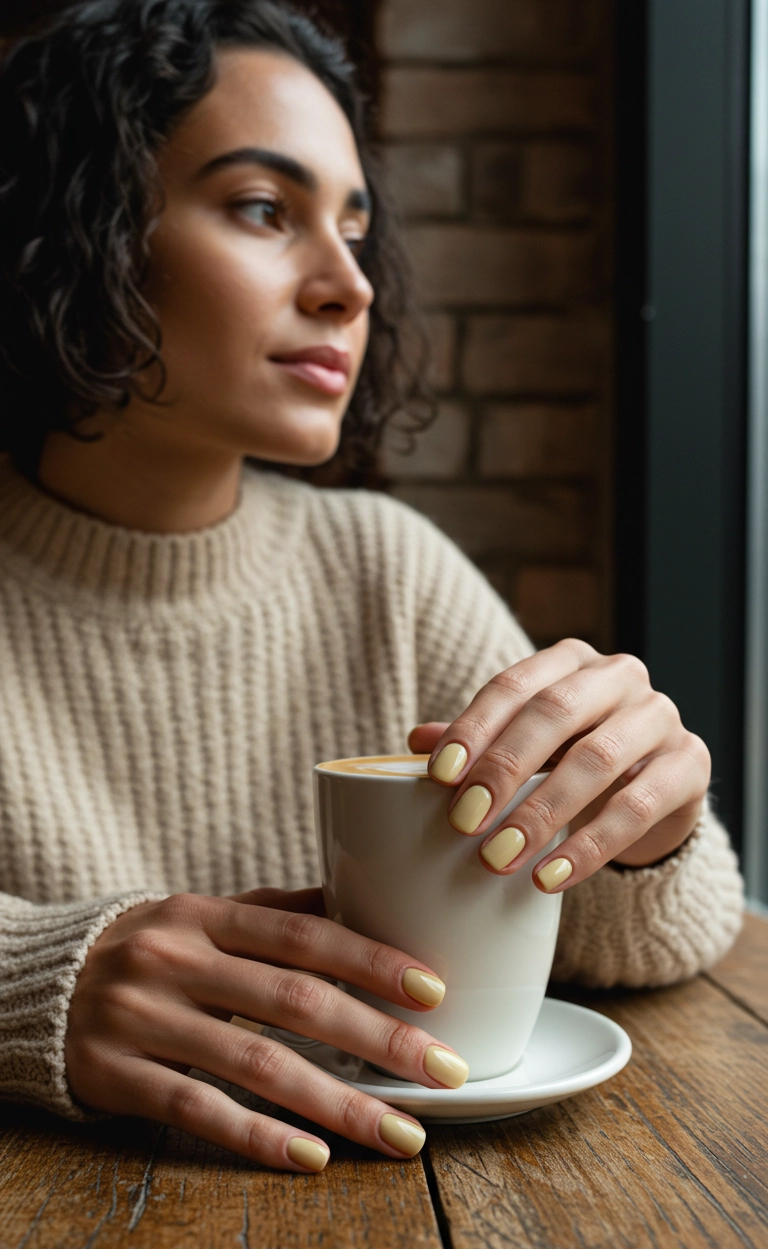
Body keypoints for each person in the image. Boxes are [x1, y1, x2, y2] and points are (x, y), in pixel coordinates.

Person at [0, 0, 743, 1174]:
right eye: (262, 209)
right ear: (70, 227)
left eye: (354, 226)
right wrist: (33, 981)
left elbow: (641, 941)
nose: (351, 284)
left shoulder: (386, 567)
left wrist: (644, 829)